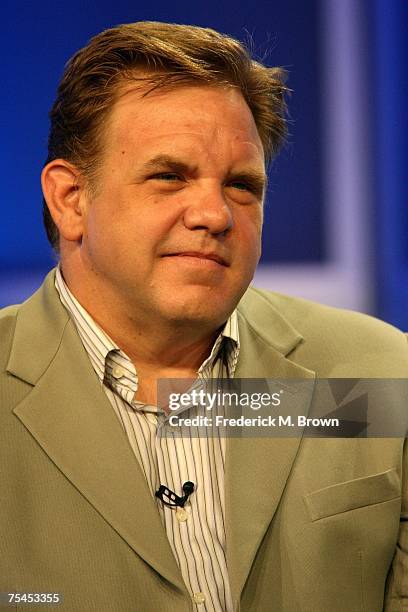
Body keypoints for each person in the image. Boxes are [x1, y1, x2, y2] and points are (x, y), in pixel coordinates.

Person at [0, 21, 407, 612]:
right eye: (169, 176)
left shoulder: (380, 372)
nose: (215, 215)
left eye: (242, 185)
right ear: (70, 199)